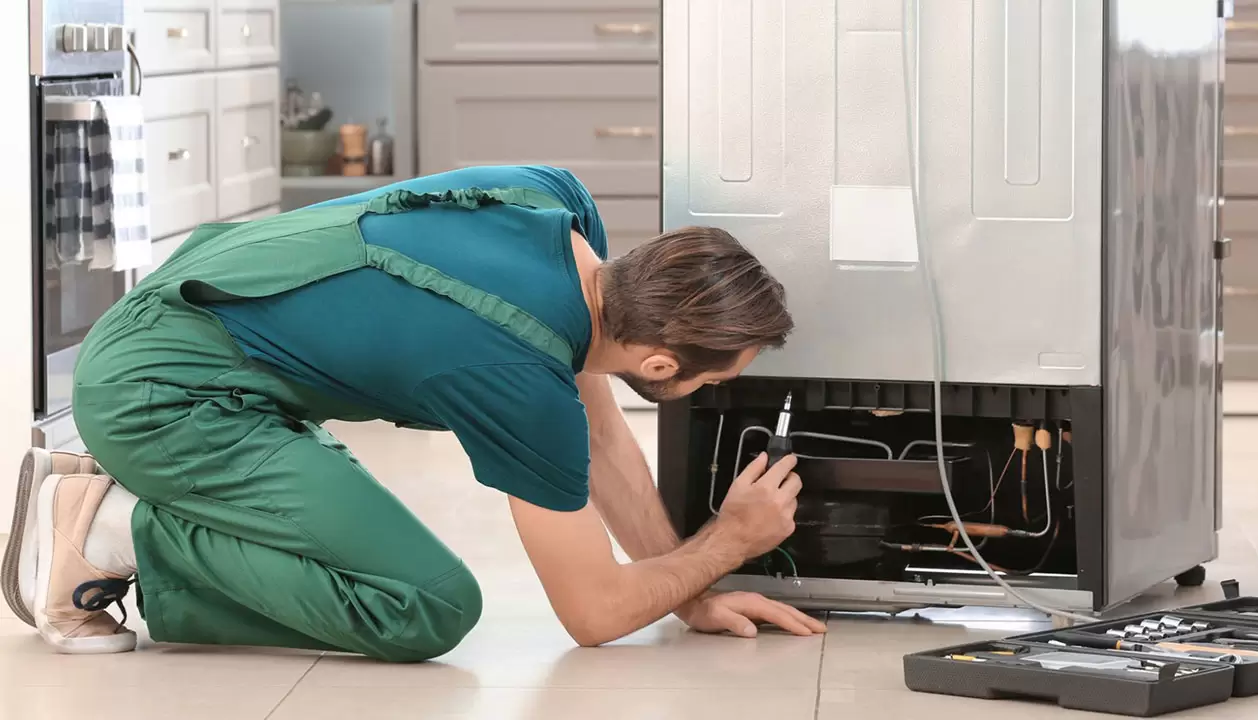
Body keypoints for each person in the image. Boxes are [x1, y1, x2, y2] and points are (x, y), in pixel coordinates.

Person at [1, 165, 824, 661]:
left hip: (196, 330)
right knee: (426, 605)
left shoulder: (555, 205)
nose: (714, 393)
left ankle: (126, 514)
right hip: (164, 396)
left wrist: (687, 594)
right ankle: (107, 528)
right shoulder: (517, 371)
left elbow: (602, 432)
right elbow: (594, 614)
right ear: (660, 365)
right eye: (714, 380)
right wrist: (728, 542)